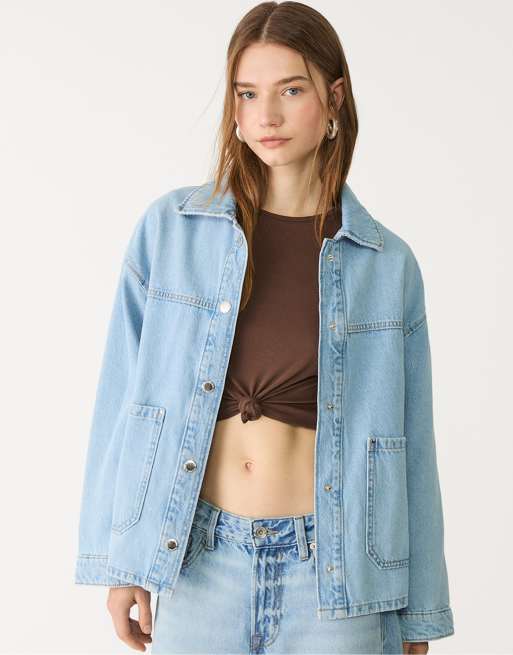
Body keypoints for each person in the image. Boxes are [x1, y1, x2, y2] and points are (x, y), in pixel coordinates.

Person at [74, 2, 455, 653]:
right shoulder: (170, 232)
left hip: (336, 580)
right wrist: (121, 560)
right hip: (200, 566)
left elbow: (412, 445)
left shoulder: (385, 264)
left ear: (335, 99)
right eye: (247, 93)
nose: (266, 116)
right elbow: (122, 402)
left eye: (291, 90)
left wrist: (420, 612)